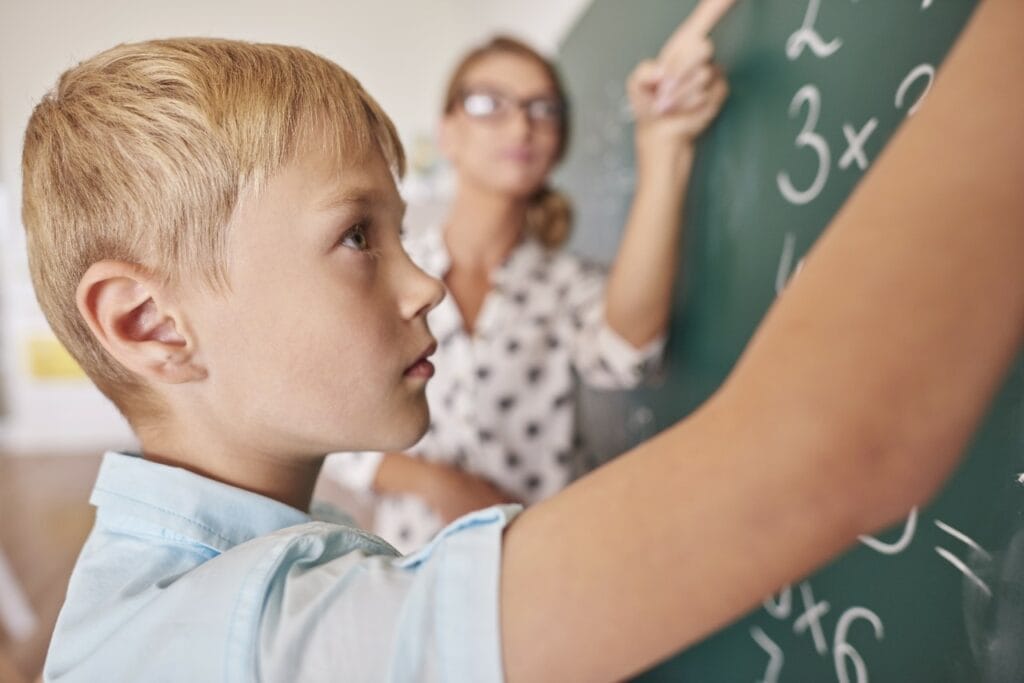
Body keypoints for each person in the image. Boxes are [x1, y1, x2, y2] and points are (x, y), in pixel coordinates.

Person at [24, 0, 1024, 680]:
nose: (422, 287)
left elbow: (625, 336)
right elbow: (829, 448)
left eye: (394, 231)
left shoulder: (219, 586)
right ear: (151, 324)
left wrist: (663, 150)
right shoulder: (256, 634)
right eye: (356, 237)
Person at [323, 32, 728, 552]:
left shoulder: (569, 286)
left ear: (558, 144)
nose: (521, 125)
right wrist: (438, 483)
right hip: (410, 569)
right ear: (447, 133)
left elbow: (627, 355)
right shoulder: (382, 266)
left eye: (544, 109)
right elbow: (323, 418)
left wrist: (662, 145)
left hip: (540, 565)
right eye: (489, 104)